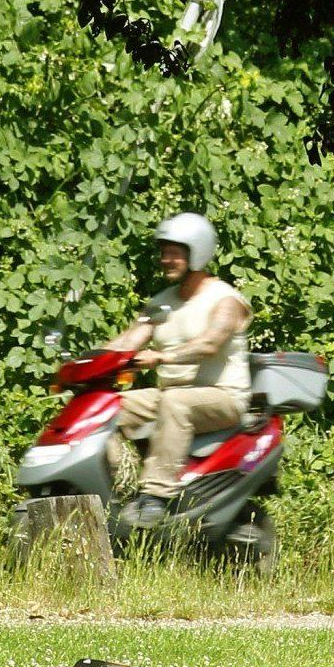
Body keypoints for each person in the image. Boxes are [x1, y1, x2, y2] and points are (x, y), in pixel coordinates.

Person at [106, 212, 253, 527]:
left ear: (197, 251)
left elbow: (211, 343)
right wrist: (84, 362)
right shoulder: (162, 302)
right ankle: (120, 486)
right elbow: (128, 340)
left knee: (175, 403)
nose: (166, 259)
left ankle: (155, 497)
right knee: (107, 408)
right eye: (164, 252)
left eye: (175, 252)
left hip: (224, 397)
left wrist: (160, 357)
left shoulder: (226, 300)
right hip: (173, 394)